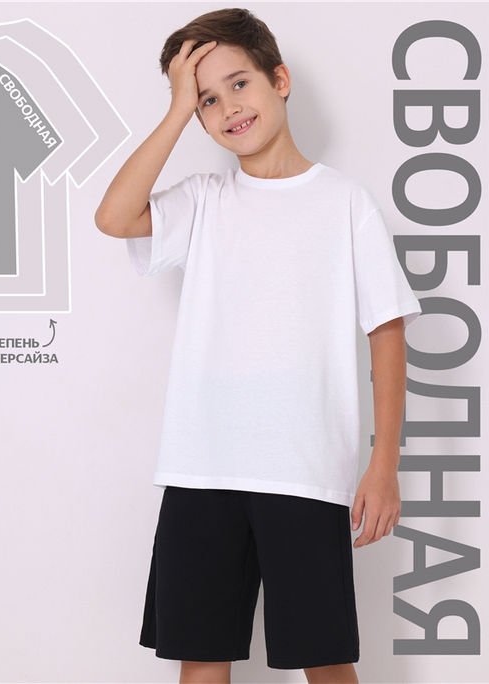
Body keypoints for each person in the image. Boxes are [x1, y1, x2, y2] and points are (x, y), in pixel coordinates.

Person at [95, 8, 422, 684]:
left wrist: (383, 464)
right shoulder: (204, 201)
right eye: (206, 100)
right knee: (201, 659)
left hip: (303, 472)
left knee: (325, 660)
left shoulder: (345, 204)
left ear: (280, 80)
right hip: (202, 470)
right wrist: (176, 110)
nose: (227, 108)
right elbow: (114, 217)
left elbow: (387, 335)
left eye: (238, 84)